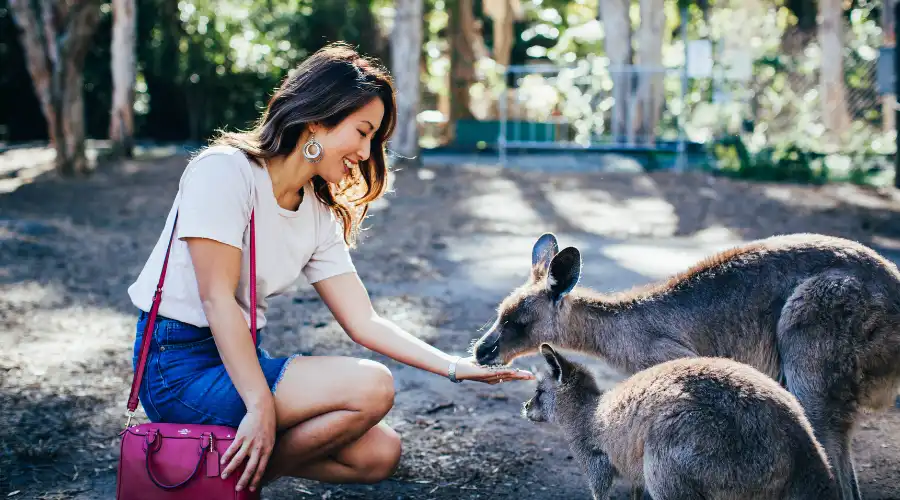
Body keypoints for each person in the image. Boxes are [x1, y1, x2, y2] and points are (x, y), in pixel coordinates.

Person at [126, 42, 533, 495]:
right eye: (362, 131)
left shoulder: (319, 212)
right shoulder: (224, 171)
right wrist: (259, 404)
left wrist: (455, 367)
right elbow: (216, 298)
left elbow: (364, 321)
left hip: (242, 358)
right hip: (179, 365)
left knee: (379, 454)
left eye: (372, 139)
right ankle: (226, 483)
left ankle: (220, 479)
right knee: (372, 386)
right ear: (318, 118)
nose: (365, 151)